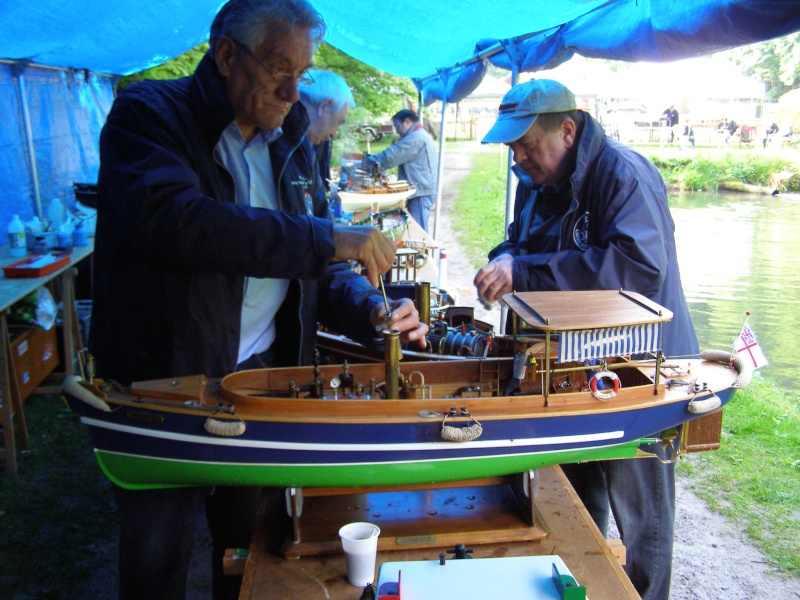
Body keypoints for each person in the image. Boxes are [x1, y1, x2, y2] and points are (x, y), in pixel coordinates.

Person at [90, 1, 428, 599]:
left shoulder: (293, 141)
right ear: (225, 55)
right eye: (277, 66)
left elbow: (314, 266)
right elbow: (181, 223)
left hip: (260, 375)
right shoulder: (146, 115)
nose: (292, 89)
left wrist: (371, 310)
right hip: (166, 376)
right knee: (156, 552)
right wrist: (327, 238)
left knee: (250, 546)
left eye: (301, 72)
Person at [473, 79, 698, 600]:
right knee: (576, 487)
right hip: (575, 359)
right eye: (512, 147)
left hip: (644, 364)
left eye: (527, 145)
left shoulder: (624, 175)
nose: (519, 157)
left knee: (640, 506)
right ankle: (587, 587)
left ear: (568, 131)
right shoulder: (537, 178)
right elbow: (519, 242)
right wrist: (502, 258)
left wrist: (523, 272)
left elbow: (635, 270)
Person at [361, 109, 438, 233]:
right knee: (416, 227)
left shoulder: (416, 138)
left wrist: (365, 163)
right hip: (422, 188)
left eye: (397, 126)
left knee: (418, 231)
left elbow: (391, 156)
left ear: (407, 122)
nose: (396, 130)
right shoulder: (418, 134)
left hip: (421, 191)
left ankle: (421, 251)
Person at [298, 69, 355, 191]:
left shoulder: (307, 145)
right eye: (337, 123)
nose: (333, 134)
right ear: (324, 107)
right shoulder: (278, 142)